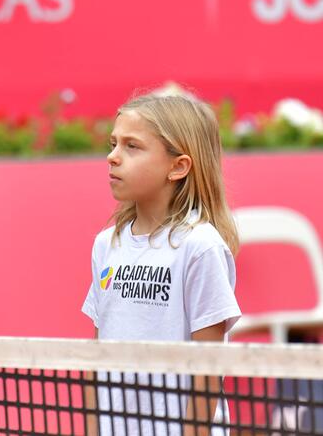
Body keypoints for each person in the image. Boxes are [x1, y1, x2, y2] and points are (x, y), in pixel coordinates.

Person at [82, 93, 242, 436]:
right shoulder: (105, 245)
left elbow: (207, 369)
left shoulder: (200, 247)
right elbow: (95, 360)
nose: (112, 157)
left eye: (132, 146)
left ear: (178, 166)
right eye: (113, 144)